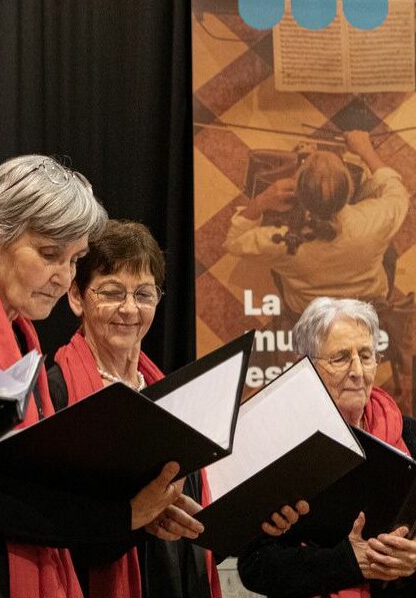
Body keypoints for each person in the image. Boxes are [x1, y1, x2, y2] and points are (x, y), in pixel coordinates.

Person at [0, 155, 196, 598]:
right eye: (49, 254)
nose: (62, 276)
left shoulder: (21, 345)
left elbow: (42, 501)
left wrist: (141, 519)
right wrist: (124, 516)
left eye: (74, 259)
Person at [51, 219, 307, 597]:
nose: (129, 309)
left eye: (144, 294)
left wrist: (257, 518)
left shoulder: (174, 397)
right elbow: (53, 523)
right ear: (76, 297)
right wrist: (133, 516)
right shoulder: (56, 393)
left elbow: (201, 522)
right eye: (111, 292)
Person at [237, 298, 416, 597]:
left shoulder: (410, 435)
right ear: (305, 366)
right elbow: (256, 566)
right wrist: (348, 561)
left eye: (366, 355)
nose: (358, 371)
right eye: (341, 358)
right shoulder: (279, 442)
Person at [223, 131, 409, 316]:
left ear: (298, 194)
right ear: (350, 190)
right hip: (366, 306)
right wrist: (366, 150)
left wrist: (263, 200)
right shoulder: (375, 220)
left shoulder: (281, 241)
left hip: (310, 311)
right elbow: (397, 192)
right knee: (388, 251)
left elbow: (234, 241)